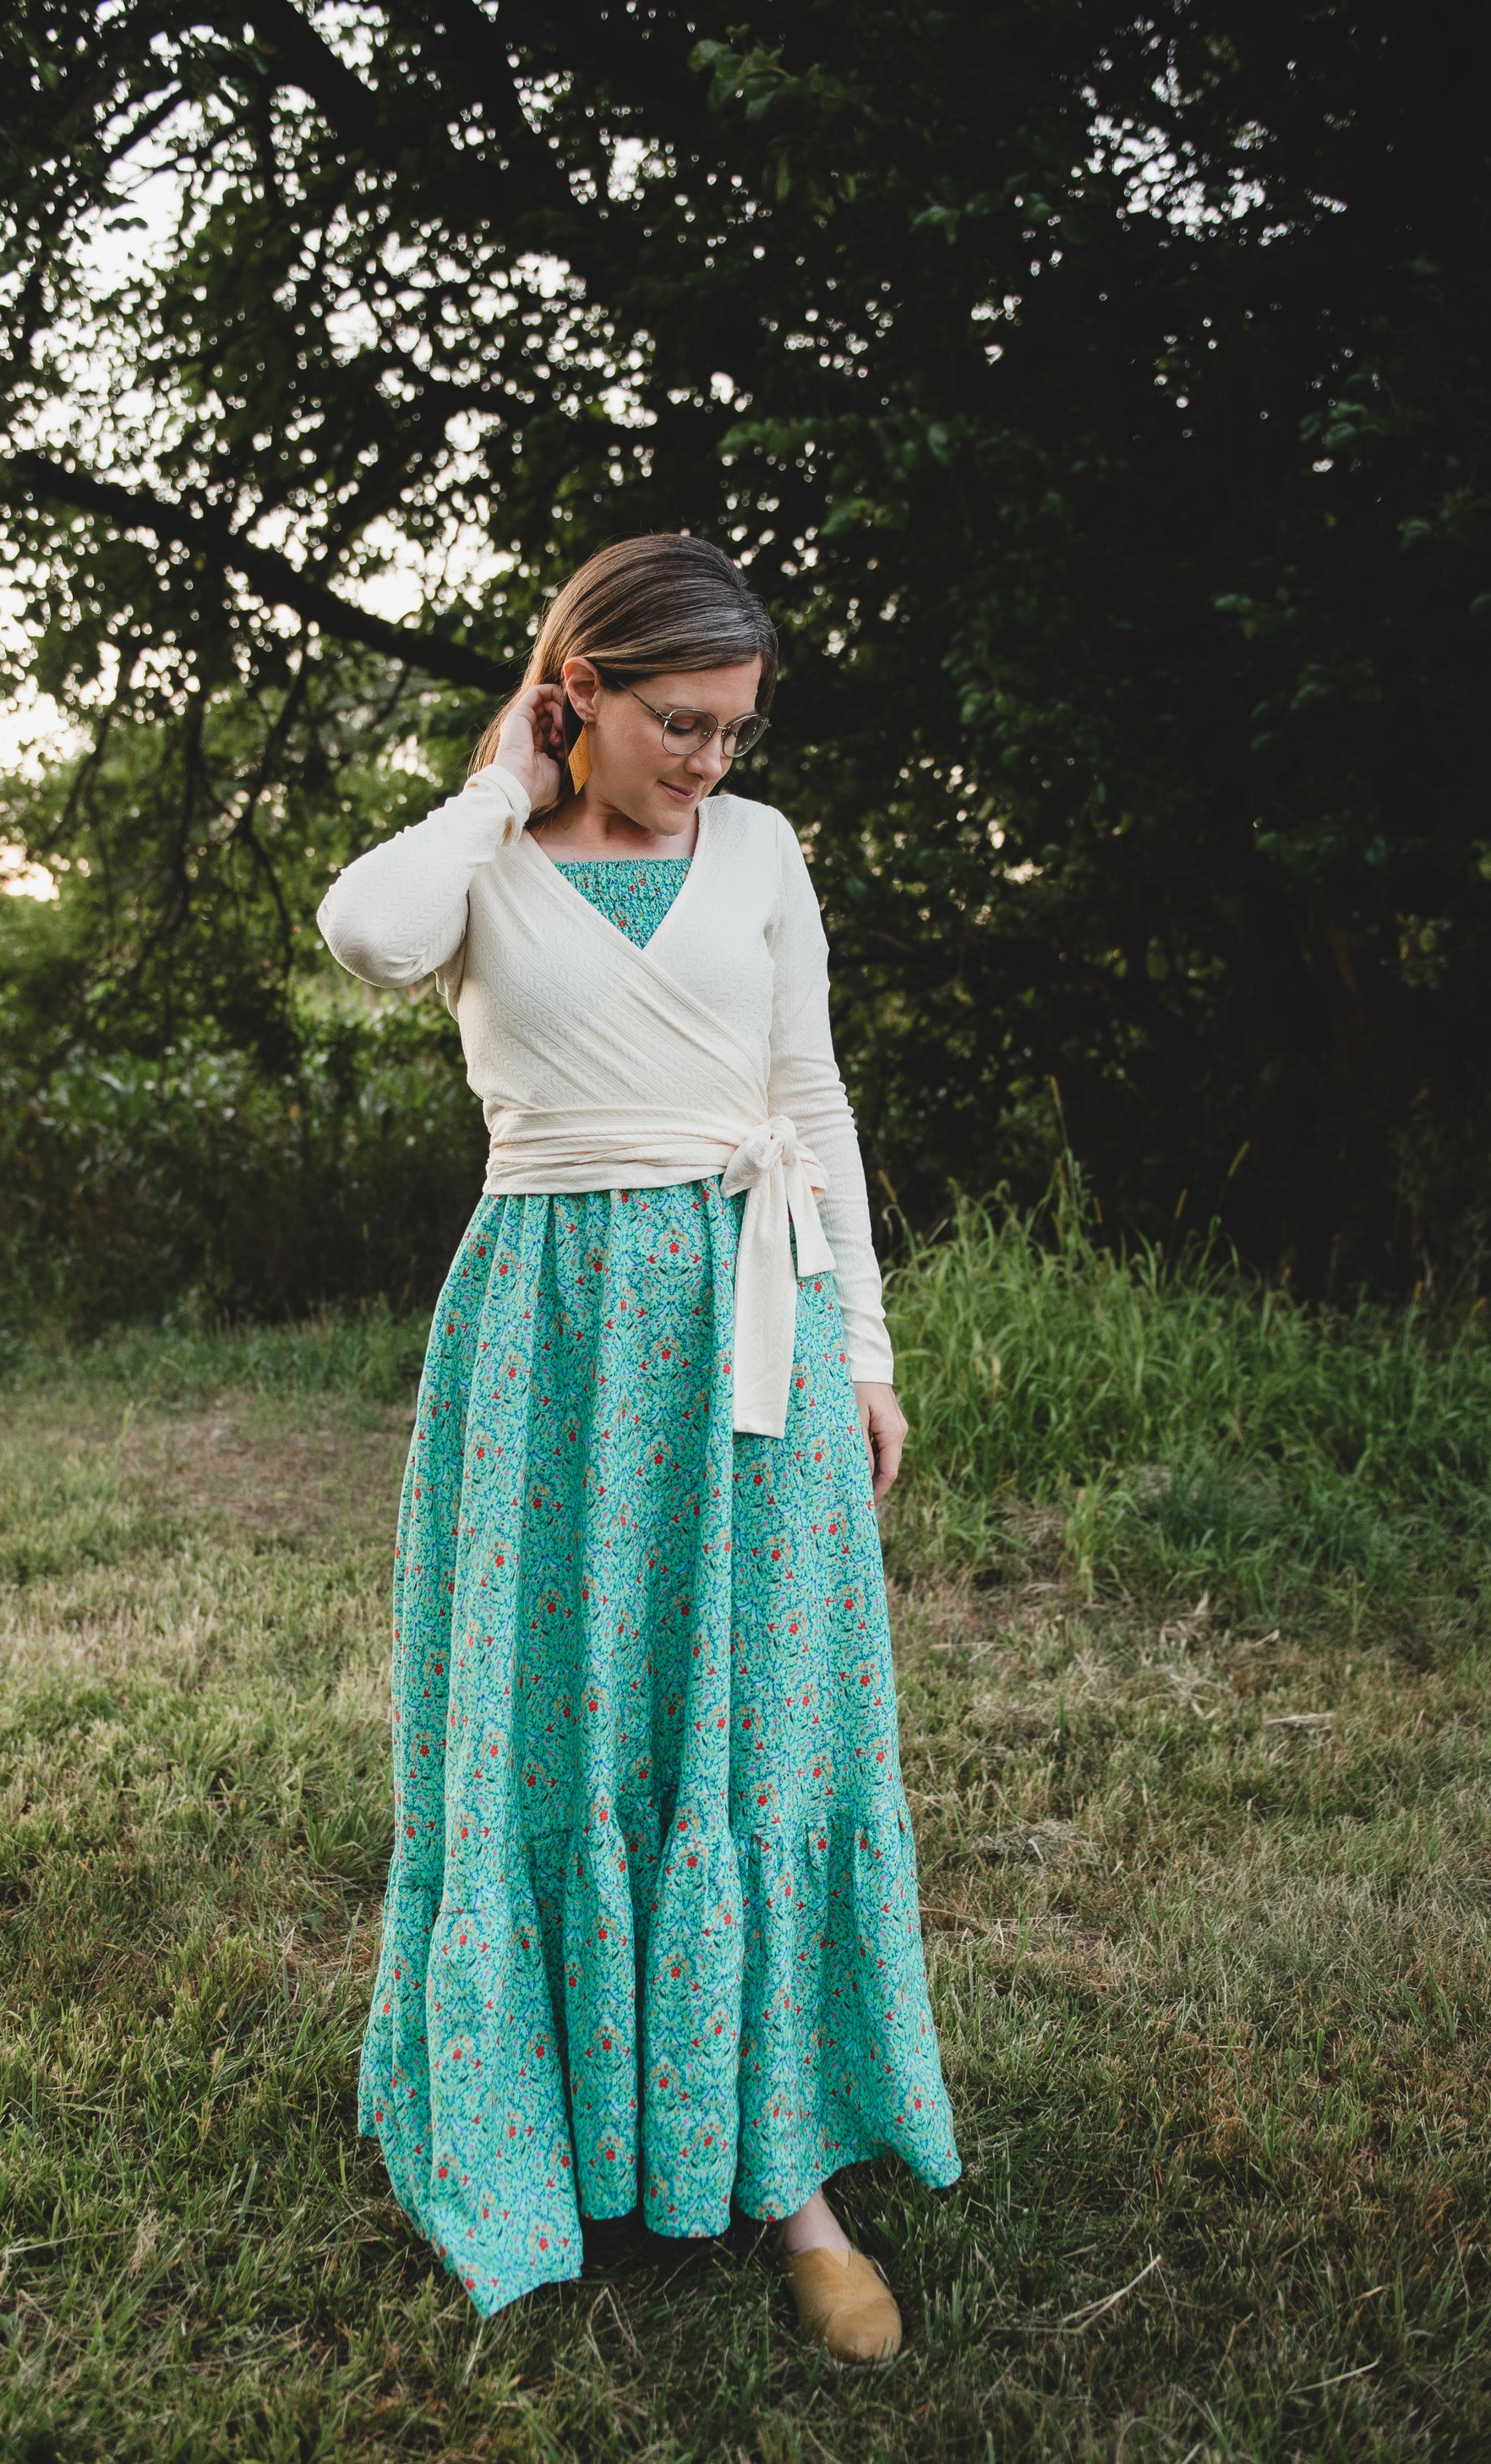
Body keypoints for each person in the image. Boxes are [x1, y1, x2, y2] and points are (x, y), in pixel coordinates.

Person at [317, 533, 960, 2357]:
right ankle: (554, 2123)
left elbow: (810, 1095)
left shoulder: (757, 851)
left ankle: (789, 2174)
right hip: (549, 1332)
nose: (709, 759)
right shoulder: (482, 862)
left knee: (754, 1715)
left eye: (735, 729)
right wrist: (495, 789)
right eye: (678, 722)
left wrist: (861, 1346)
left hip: (752, 1318)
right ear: (578, 691)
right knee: (563, 1711)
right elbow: (364, 935)